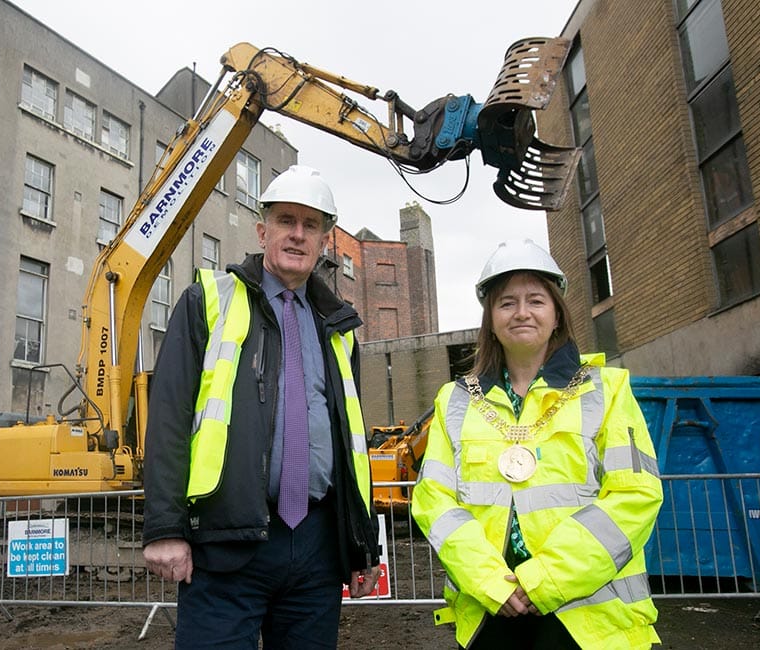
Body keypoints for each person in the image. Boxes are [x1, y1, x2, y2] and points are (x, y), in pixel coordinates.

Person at [142, 165, 381, 649]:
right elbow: (168, 417)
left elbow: (350, 442)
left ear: (323, 240)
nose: (297, 234)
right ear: (261, 231)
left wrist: (361, 547)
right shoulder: (206, 302)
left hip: (315, 549)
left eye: (310, 225)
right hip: (226, 544)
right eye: (285, 221)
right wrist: (165, 528)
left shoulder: (338, 327)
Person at [411, 239, 663, 649]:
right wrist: (490, 581)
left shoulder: (608, 389)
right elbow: (434, 502)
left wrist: (545, 579)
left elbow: (636, 495)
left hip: (587, 615)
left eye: (536, 301)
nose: (522, 312)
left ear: (557, 315)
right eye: (507, 303)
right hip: (490, 608)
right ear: (490, 320)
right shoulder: (454, 401)